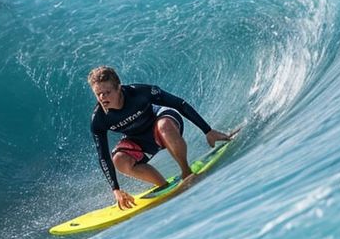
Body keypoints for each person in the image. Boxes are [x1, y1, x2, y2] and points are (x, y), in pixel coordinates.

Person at [88, 65, 234, 211]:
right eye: (98, 94)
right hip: (140, 139)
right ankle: (164, 186)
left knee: (164, 126)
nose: (102, 98)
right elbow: (103, 156)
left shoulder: (139, 92)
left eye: (107, 92)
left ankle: (186, 172)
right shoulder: (99, 119)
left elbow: (179, 104)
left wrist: (208, 131)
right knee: (119, 160)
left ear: (118, 88)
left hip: (163, 123)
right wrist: (116, 190)